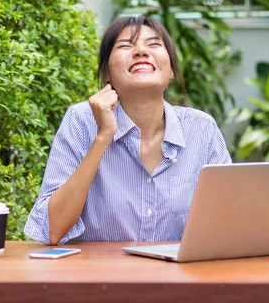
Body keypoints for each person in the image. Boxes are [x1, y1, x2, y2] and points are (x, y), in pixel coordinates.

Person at [24, 16, 231, 245]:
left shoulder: (201, 129)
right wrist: (103, 136)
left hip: (178, 278)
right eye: (125, 46)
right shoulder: (81, 121)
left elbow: (230, 224)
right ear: (105, 73)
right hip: (98, 277)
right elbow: (53, 230)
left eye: (153, 44)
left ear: (171, 69)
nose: (141, 51)